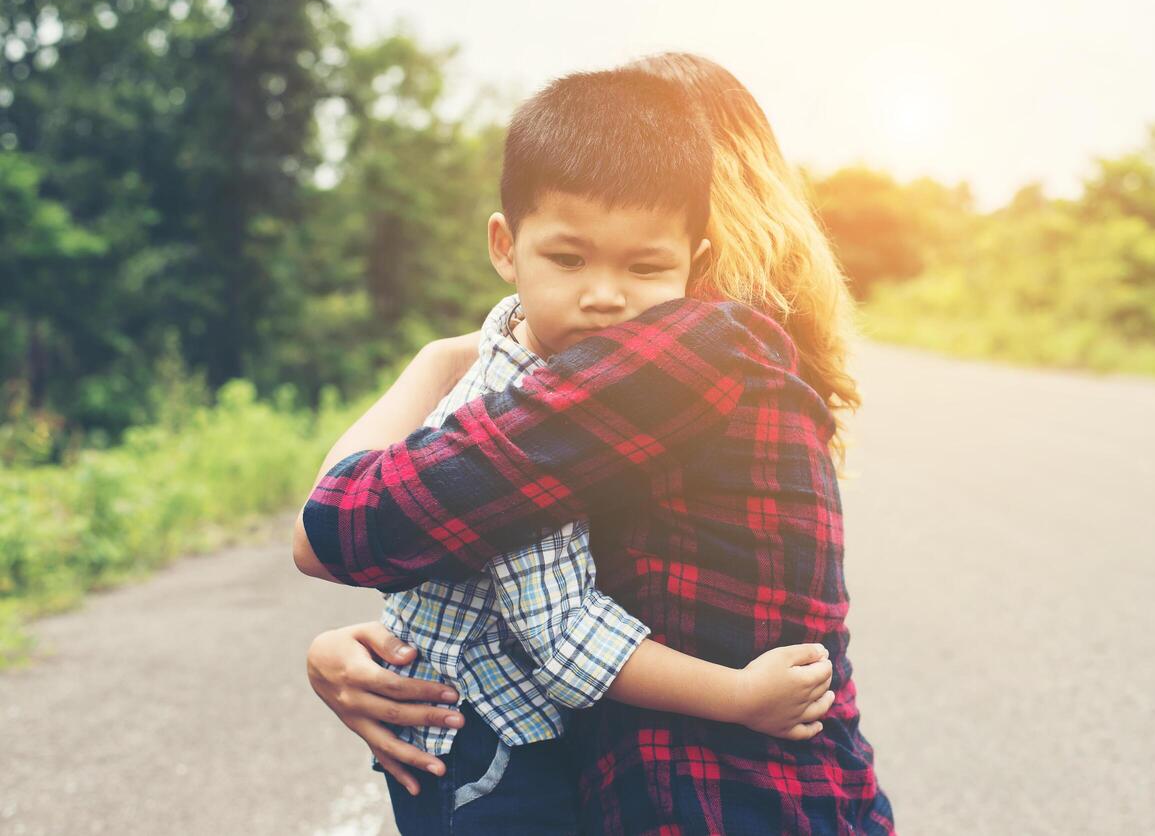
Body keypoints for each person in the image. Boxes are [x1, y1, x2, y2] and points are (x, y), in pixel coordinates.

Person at [298, 54, 894, 833]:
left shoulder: (689, 351)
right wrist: (392, 647)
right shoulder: (740, 351)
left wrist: (443, 359)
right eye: (571, 256)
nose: (605, 294)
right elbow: (512, 562)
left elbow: (339, 525)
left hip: (722, 803)